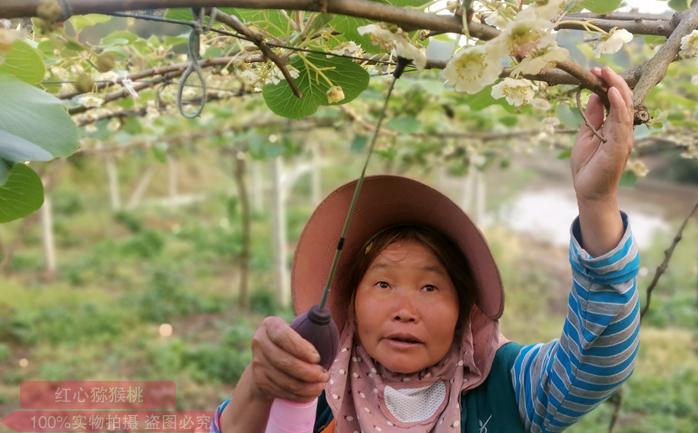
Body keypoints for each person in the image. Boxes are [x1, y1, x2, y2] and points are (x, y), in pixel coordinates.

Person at [210, 67, 641, 433]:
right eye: (382, 283)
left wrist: (597, 204)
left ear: (464, 309)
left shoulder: (508, 383)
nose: (405, 309)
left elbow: (598, 361)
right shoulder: (318, 382)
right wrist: (262, 383)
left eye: (431, 288)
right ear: (351, 301)